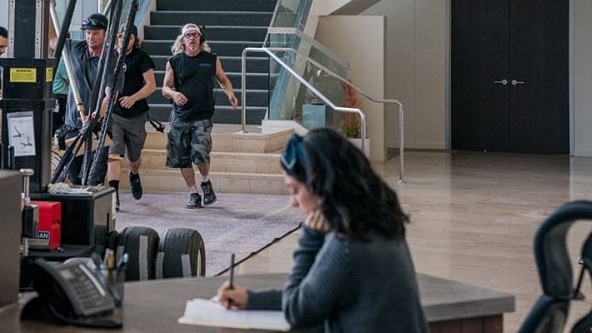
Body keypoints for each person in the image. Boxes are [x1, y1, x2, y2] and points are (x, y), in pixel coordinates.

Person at [214, 129, 427, 332]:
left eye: (295, 190)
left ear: (320, 185)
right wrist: (251, 299)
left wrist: (311, 236)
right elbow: (316, 294)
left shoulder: (346, 244)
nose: (293, 202)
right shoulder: (380, 223)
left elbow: (297, 311)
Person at [162, 22, 237, 208]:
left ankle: (205, 181)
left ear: (200, 39)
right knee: (182, 157)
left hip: (202, 114)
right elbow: (165, 88)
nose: (192, 38)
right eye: (188, 35)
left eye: (195, 35)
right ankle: (193, 193)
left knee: (201, 153)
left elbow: (223, 79)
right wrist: (174, 94)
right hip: (180, 117)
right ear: (183, 40)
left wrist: (230, 93)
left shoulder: (210, 59)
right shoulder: (174, 62)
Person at [106, 24, 156, 205]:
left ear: (134, 40)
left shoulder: (141, 58)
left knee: (134, 156)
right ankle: (114, 195)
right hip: (114, 114)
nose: (123, 40)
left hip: (135, 114)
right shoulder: (110, 57)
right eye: (120, 36)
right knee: (114, 151)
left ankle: (134, 175)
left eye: (128, 37)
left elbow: (151, 85)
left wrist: (133, 98)